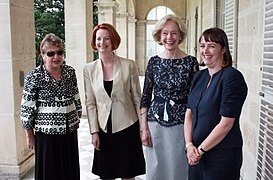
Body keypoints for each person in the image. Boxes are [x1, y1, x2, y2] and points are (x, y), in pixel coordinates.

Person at [140, 14, 199, 180]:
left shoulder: (190, 62)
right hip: (155, 124)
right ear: (159, 36)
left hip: (181, 125)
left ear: (180, 35)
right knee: (155, 168)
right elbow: (145, 97)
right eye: (165, 33)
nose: (169, 37)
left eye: (174, 33)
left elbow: (195, 99)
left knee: (178, 169)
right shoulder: (153, 62)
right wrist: (144, 128)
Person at [83, 23, 145, 180]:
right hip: (103, 130)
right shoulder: (89, 69)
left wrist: (143, 128)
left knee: (128, 174)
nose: (102, 42)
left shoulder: (128, 65)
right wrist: (94, 131)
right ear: (94, 41)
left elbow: (138, 98)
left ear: (113, 41)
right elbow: (90, 103)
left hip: (127, 126)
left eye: (106, 38)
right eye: (98, 39)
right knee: (106, 174)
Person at [184, 27, 248, 180]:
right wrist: (189, 145)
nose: (205, 50)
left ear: (223, 49)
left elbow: (226, 124)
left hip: (221, 156)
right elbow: (189, 114)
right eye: (202, 45)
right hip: (196, 154)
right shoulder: (199, 76)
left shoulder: (232, 77)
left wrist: (200, 150)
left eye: (211, 46)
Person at [20, 33, 82, 180]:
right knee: (49, 173)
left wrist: (77, 116)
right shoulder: (34, 76)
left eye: (60, 52)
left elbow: (76, 98)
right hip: (46, 136)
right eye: (51, 53)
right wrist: (29, 135)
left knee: (69, 171)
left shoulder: (70, 72)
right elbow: (26, 107)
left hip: (69, 131)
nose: (56, 57)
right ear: (43, 55)